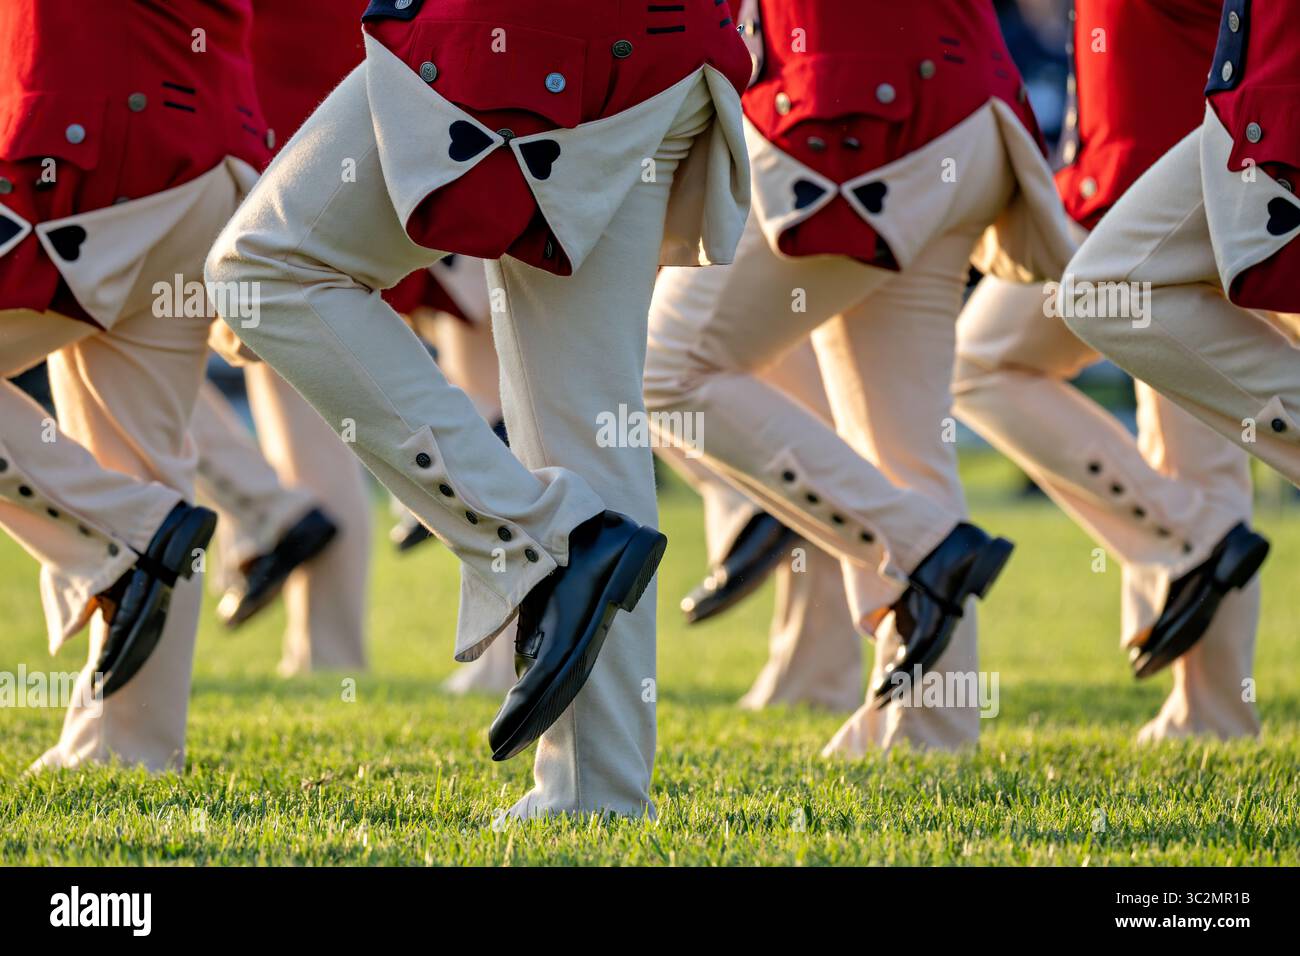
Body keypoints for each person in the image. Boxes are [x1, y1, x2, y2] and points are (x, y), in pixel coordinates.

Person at [206, 0, 752, 817]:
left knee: (261, 268)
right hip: (668, 52)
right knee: (591, 420)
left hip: (526, 32)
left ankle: (538, 536)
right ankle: (593, 795)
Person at [644, 0, 1076, 754]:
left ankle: (918, 544)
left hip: (852, 119)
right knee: (903, 446)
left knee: (665, 373)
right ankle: (928, 735)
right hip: (959, 116)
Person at [953, 0, 1270, 739]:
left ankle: (1213, 705)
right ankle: (1185, 546)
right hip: (1112, 188)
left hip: (1183, 196)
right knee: (984, 363)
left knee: (1198, 453)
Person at [0, 0, 269, 770]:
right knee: (140, 451)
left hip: (89, 137)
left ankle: (121, 531)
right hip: (207, 149)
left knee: (140, 484)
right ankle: (127, 747)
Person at [1063, 0, 1300, 489]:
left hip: (1262, 114)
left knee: (1100, 292)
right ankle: (1197, 542)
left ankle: (1197, 540)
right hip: (1248, 113)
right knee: (1099, 291)